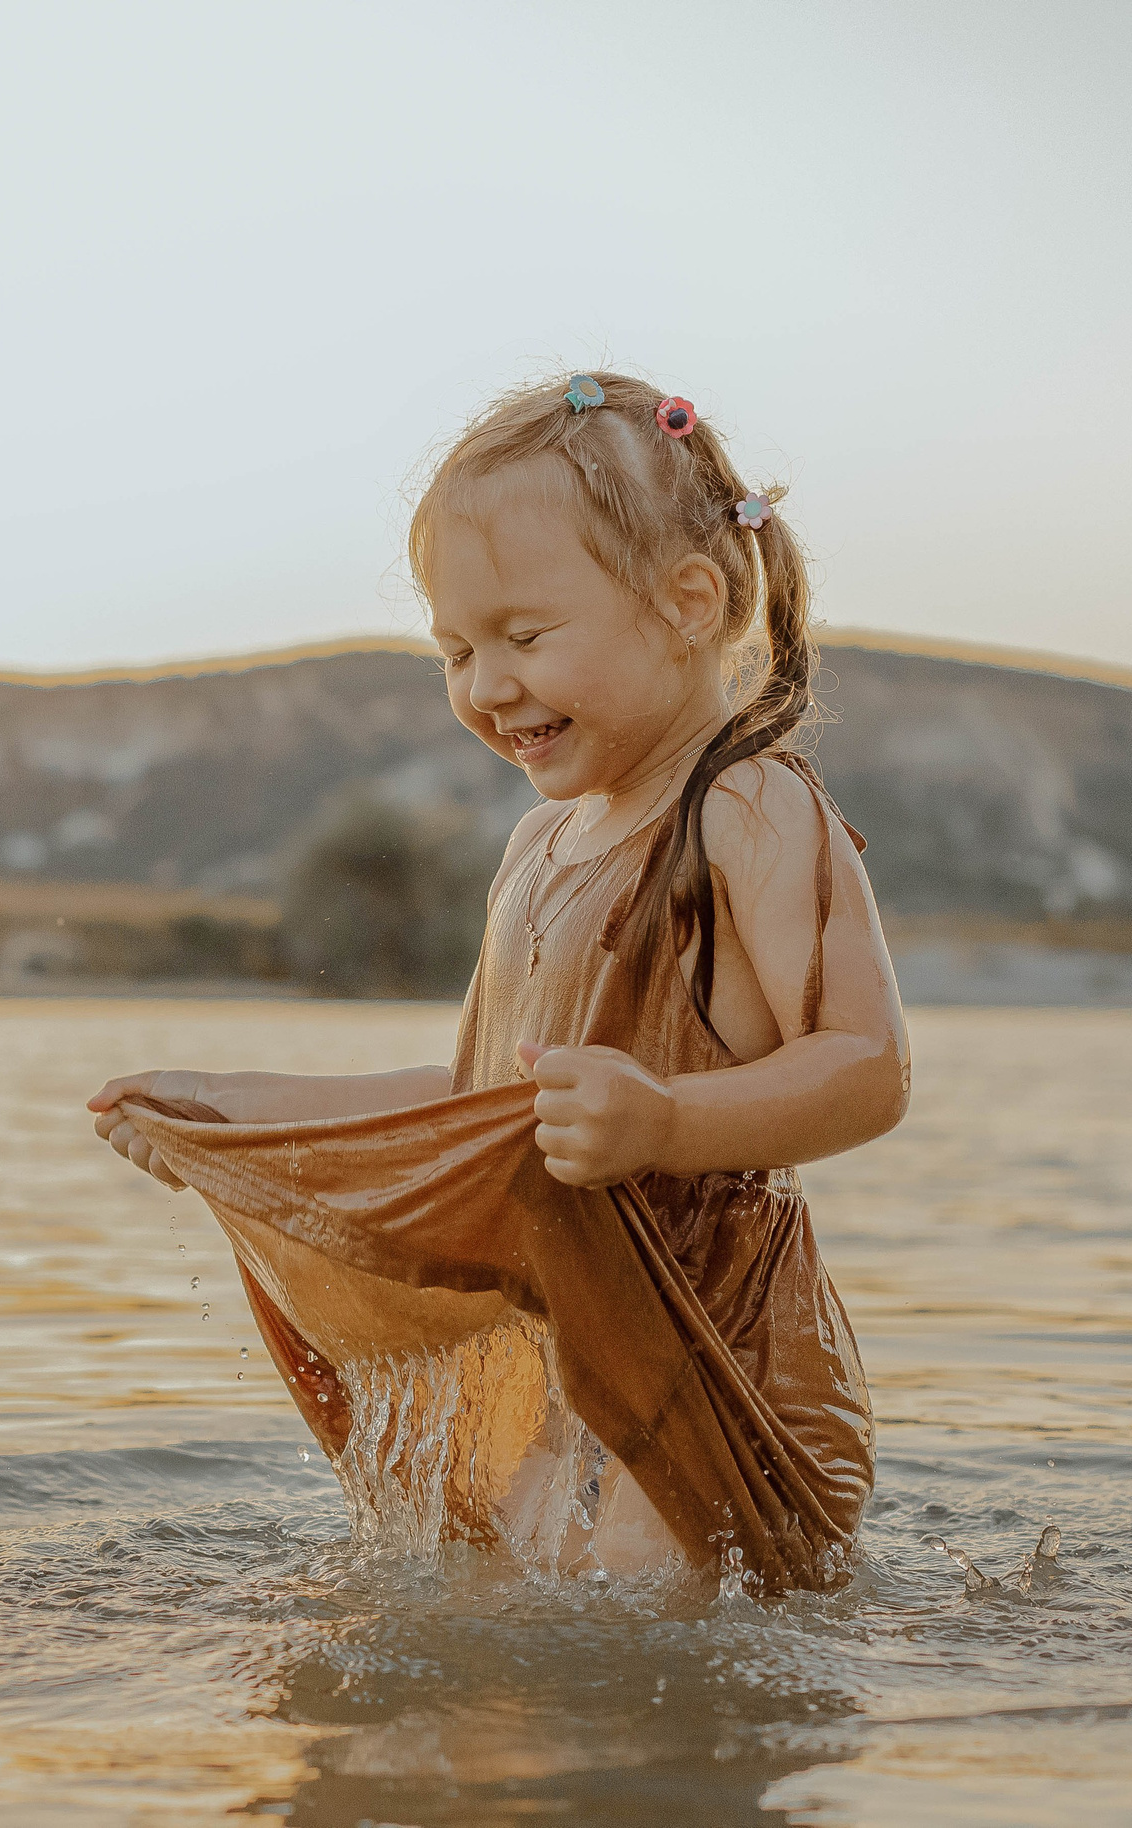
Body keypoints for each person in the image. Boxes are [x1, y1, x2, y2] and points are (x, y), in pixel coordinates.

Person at [87, 372, 908, 1589]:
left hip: (720, 1352)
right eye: (456, 650)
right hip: (575, 1347)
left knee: (642, 1645)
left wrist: (667, 1119)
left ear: (689, 602)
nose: (486, 685)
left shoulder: (747, 806)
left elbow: (867, 1068)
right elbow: (477, 1100)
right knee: (505, 1645)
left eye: (524, 637)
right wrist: (237, 1104)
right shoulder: (537, 847)